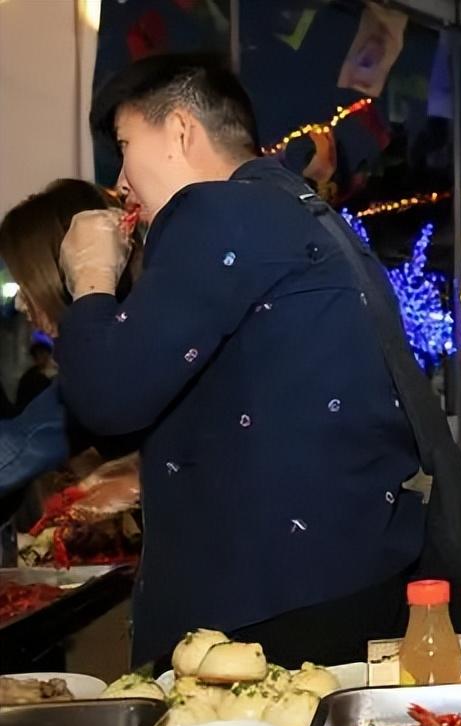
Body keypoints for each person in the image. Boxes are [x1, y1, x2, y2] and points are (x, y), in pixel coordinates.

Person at [55, 54, 427, 667]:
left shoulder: (217, 211)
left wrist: (91, 277)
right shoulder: (307, 213)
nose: (121, 180)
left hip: (266, 604)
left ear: (180, 130)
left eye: (125, 146)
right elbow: (267, 396)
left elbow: (106, 396)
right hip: (349, 575)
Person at [0, 179, 142, 496]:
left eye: (26, 284)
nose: (22, 303)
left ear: (60, 272)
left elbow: (17, 450)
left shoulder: (121, 365)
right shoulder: (94, 366)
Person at [16, 338, 57, 410]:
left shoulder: (56, 374)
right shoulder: (29, 377)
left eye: (42, 352)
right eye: (37, 353)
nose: (39, 356)